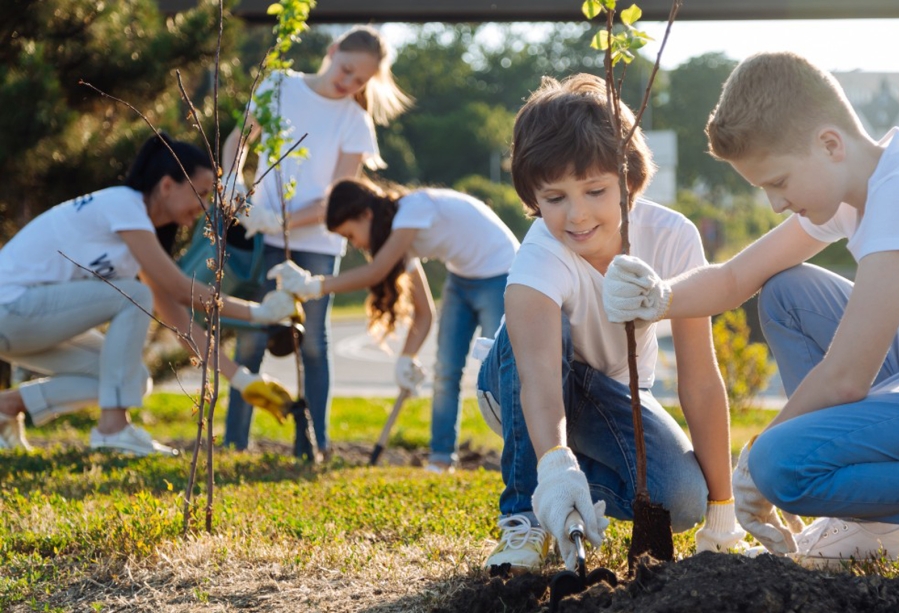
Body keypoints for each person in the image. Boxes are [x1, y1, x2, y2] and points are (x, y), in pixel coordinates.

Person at [602, 51, 899, 571]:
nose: (774, 203)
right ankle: (876, 524)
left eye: (779, 182)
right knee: (788, 292)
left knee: (782, 465)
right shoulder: (865, 184)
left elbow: (846, 379)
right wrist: (660, 298)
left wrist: (755, 462)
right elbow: (736, 278)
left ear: (830, 144)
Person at [475, 73, 744, 573]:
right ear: (534, 198)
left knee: (681, 500)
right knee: (538, 333)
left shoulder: (672, 239)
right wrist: (554, 467)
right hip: (520, 385)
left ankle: (562, 484)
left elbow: (701, 379)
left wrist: (722, 514)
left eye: (596, 191)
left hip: (608, 397)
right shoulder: (539, 258)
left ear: (630, 181)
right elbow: (535, 375)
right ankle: (525, 515)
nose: (577, 216)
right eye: (554, 199)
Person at [0, 133, 299, 456]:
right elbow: (179, 289)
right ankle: (113, 430)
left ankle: (7, 406)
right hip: (11, 310)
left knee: (134, 379)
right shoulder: (123, 204)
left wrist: (241, 379)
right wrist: (259, 312)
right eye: (200, 194)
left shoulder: (137, 239)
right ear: (167, 185)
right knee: (134, 295)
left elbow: (179, 320)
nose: (204, 207)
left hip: (24, 324)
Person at [221, 25, 412, 456]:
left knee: (312, 341)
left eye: (360, 80)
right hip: (259, 234)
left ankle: (314, 444)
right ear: (331, 52)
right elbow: (240, 136)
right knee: (253, 336)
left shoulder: (355, 121)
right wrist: (232, 177)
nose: (349, 83)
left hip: (318, 244)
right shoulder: (279, 86)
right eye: (346, 70)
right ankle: (234, 442)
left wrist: (279, 219)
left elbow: (338, 198)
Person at [269, 176, 519, 473]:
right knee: (445, 372)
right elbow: (424, 313)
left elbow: (375, 273)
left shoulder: (412, 210)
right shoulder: (401, 238)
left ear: (366, 214)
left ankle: (518, 457)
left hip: (502, 273)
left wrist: (313, 286)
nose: (355, 245)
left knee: (501, 373)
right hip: (461, 278)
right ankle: (440, 459)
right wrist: (406, 359)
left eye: (350, 235)